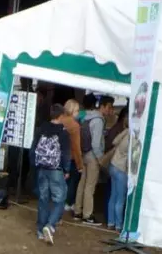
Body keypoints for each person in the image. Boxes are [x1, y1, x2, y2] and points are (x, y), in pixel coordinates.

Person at [31, 103, 71, 244]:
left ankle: (41, 230)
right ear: (61, 116)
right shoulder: (63, 132)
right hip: (56, 169)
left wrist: (34, 166)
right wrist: (66, 169)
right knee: (59, 199)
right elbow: (66, 153)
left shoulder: (41, 129)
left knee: (43, 199)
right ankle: (50, 225)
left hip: (42, 168)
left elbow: (33, 148)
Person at [74, 94, 108, 226]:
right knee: (90, 186)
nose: (110, 111)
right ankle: (87, 215)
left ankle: (78, 210)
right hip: (93, 156)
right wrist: (101, 158)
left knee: (82, 182)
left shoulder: (83, 117)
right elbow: (95, 143)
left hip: (83, 153)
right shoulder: (98, 120)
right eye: (109, 107)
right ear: (100, 106)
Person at [59, 98, 83, 213]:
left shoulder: (59, 120)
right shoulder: (75, 125)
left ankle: (58, 202)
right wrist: (80, 164)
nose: (78, 113)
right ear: (72, 110)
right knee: (72, 181)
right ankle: (68, 203)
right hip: (71, 157)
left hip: (58, 156)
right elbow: (76, 146)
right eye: (77, 110)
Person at [106, 120, 130, 232]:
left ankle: (111, 222)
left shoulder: (125, 131)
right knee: (120, 198)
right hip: (121, 168)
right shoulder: (133, 137)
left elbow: (114, 141)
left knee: (113, 196)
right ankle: (118, 225)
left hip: (113, 164)